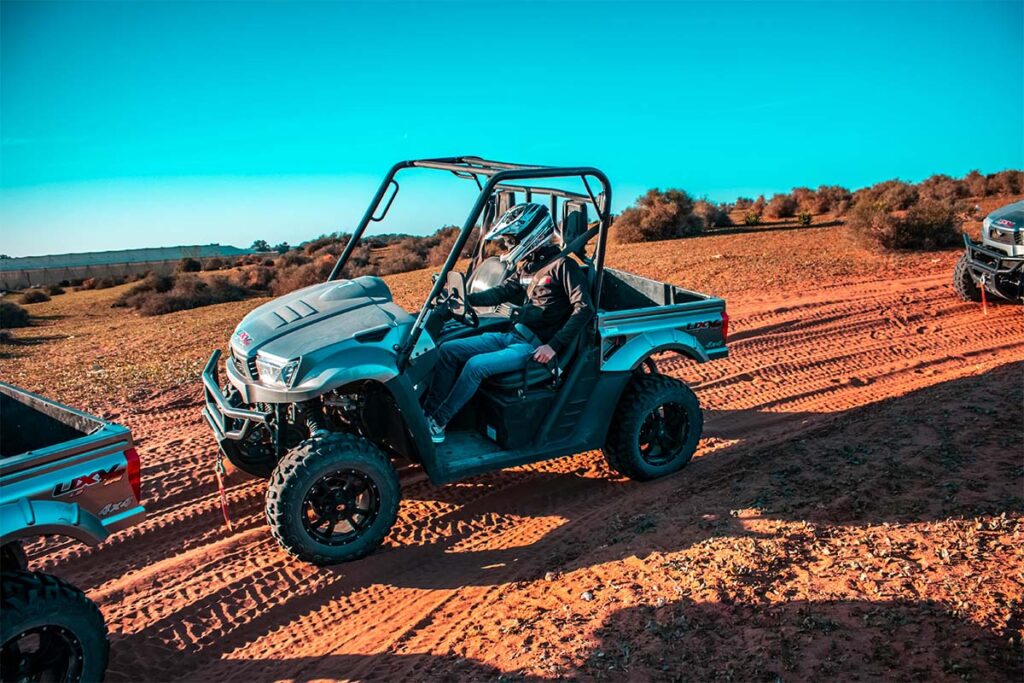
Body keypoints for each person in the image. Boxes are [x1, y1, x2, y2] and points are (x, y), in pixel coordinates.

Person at [422, 202, 594, 443]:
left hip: (533, 348)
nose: (508, 245)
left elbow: (584, 308)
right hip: (511, 336)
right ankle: (427, 414)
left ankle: (438, 423)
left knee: (475, 366)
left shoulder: (563, 266)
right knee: (448, 351)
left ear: (532, 234)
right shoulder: (528, 267)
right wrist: (464, 299)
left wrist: (553, 346)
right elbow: (499, 293)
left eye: (511, 239)